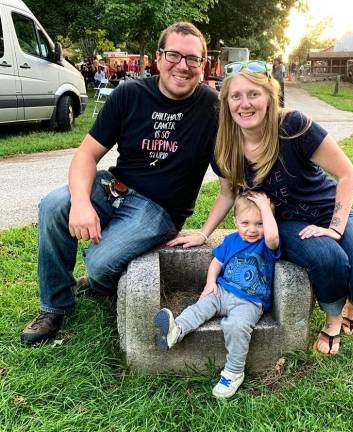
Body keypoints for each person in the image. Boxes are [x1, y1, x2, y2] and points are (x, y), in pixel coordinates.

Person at [169, 60, 353, 355]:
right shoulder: (224, 146)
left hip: (329, 209)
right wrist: (204, 233)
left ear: (270, 97)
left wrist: (336, 227)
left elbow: (347, 173)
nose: (245, 104)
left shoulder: (292, 126)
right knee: (328, 257)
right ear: (226, 102)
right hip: (284, 222)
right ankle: (334, 316)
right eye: (236, 96)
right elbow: (227, 194)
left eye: (254, 94)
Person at [21, 22, 218, 346]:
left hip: (159, 209)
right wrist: (82, 203)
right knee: (55, 205)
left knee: (99, 266)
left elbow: (235, 166)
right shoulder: (130, 93)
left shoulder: (212, 106)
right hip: (115, 187)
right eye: (173, 55)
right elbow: (86, 155)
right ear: (158, 57)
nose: (182, 66)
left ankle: (98, 282)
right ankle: (55, 305)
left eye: (192, 59)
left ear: (203, 64)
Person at [154, 192, 280, 398]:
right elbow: (217, 262)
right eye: (245, 223)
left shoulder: (266, 243)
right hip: (221, 291)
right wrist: (210, 283)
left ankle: (233, 372)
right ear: (235, 222)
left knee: (236, 326)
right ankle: (176, 330)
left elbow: (273, 237)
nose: (252, 229)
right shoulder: (231, 240)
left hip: (249, 302)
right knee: (200, 306)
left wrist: (266, 208)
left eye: (260, 223)